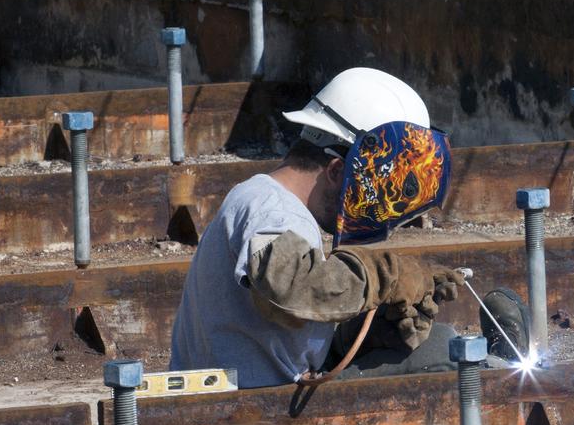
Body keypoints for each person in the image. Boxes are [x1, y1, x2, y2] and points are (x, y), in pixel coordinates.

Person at [169, 68, 526, 388]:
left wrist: (363, 330)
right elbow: (289, 291)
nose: (372, 208)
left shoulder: (266, 202)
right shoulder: (272, 208)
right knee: (441, 359)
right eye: (370, 190)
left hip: (261, 383)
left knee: (432, 340)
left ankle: (496, 366)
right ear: (338, 172)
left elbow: (278, 327)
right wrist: (384, 277)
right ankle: (508, 379)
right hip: (253, 400)